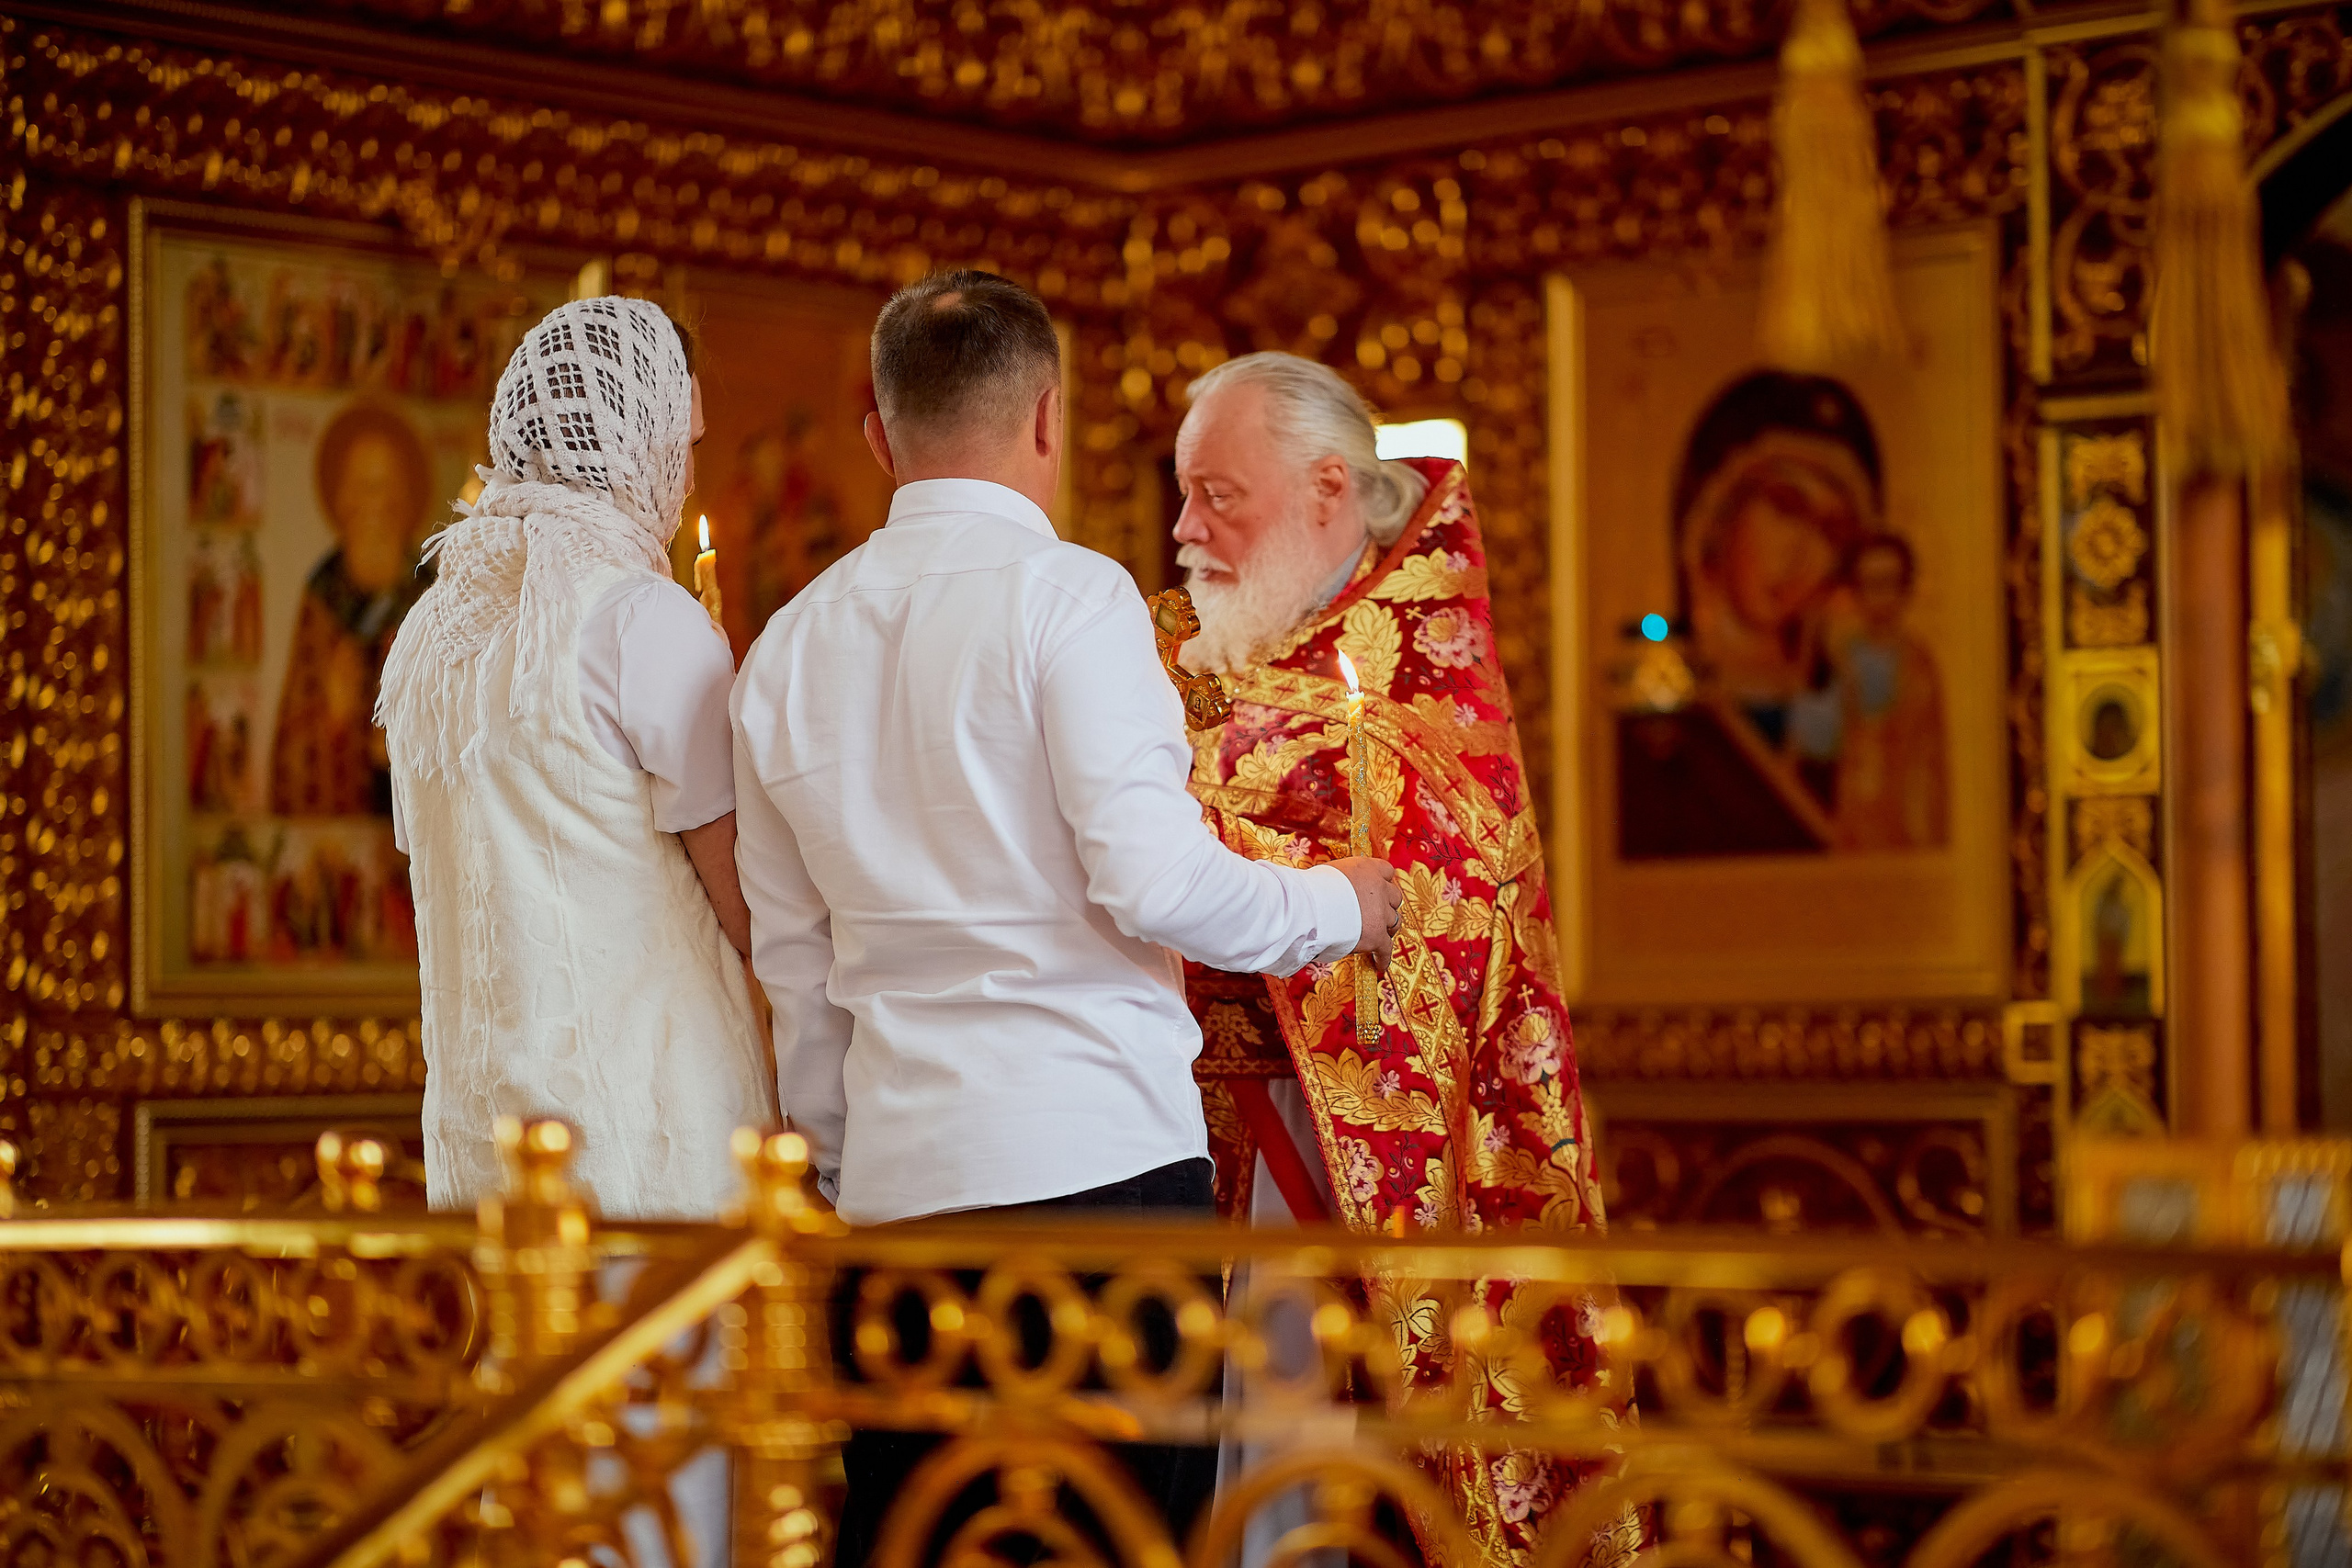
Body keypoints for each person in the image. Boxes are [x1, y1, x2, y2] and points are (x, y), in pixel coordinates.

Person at [729, 272, 1400, 1562]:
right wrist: (1339, 901)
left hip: (896, 1208)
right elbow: (1153, 882)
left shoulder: (786, 648)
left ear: (878, 432)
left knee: (926, 1542)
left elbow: (797, 967)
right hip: (1096, 1190)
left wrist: (839, 1159)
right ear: (1048, 415)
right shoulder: (1072, 598)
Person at [1170, 352, 1627, 1568]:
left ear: (1330, 487)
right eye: (1182, 495)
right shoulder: (1176, 664)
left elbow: (1450, 915)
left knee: (1326, 1485)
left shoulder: (1423, 676)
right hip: (1179, 1158)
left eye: (1219, 495)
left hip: (1343, 1165)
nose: (1184, 530)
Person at [378, 296, 775, 1221]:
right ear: (632, 435)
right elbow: (752, 908)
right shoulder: (641, 614)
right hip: (653, 1130)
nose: (683, 475)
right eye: (685, 443)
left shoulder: (432, 627)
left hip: (487, 1138)